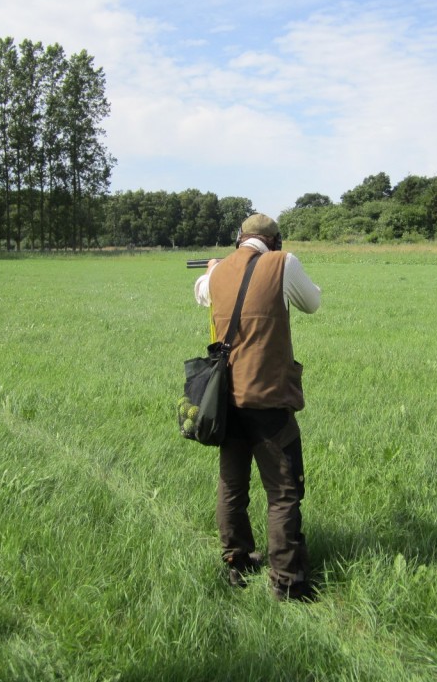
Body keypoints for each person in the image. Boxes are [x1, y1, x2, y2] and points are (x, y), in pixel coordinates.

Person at [194, 213, 321, 600]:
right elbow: (312, 302)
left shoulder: (214, 275)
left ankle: (236, 561)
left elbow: (201, 291)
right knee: (283, 491)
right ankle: (287, 582)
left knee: (232, 484)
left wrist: (216, 269)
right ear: (274, 240)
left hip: (225, 399)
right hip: (267, 396)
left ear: (239, 239)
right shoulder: (284, 263)